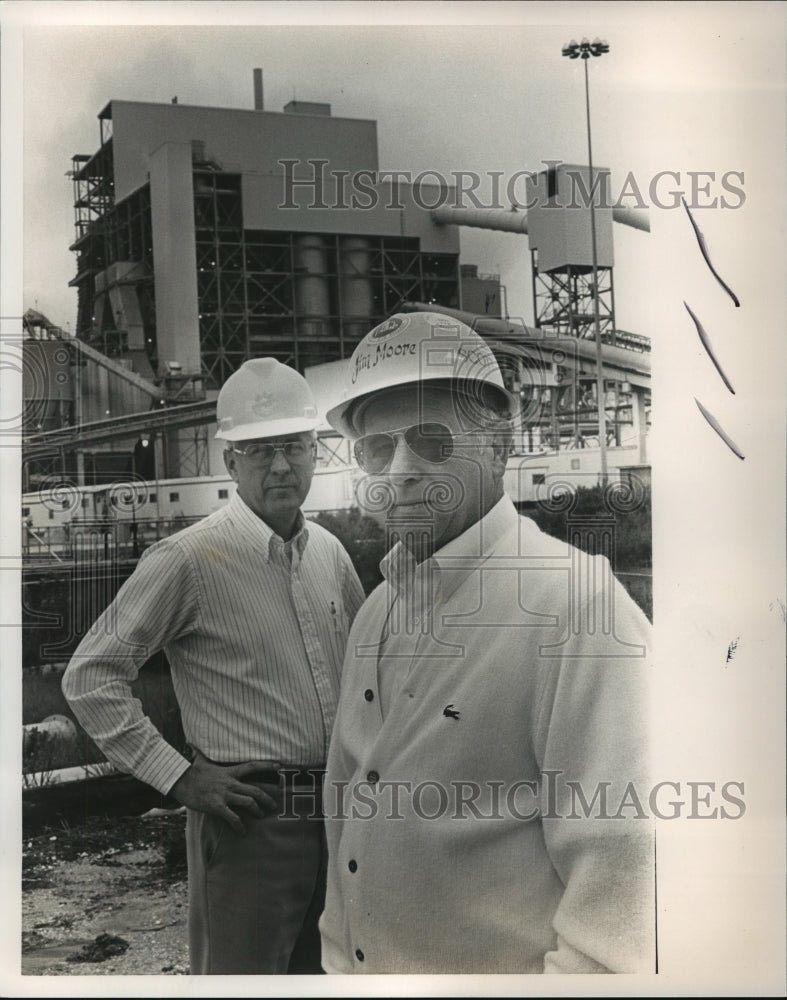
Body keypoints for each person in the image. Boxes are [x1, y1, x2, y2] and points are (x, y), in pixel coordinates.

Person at [319, 312, 654, 974]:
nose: (403, 470)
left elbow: (624, 889)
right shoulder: (377, 610)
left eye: (432, 441)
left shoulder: (573, 607)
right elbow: (348, 811)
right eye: (376, 449)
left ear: (499, 446)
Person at [62, 357, 365, 975]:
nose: (280, 465)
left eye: (293, 446)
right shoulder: (188, 560)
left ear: (316, 451)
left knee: (329, 976)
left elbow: (366, 677)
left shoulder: (330, 554)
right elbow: (92, 675)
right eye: (258, 450)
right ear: (229, 462)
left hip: (337, 815)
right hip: (249, 817)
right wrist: (176, 778)